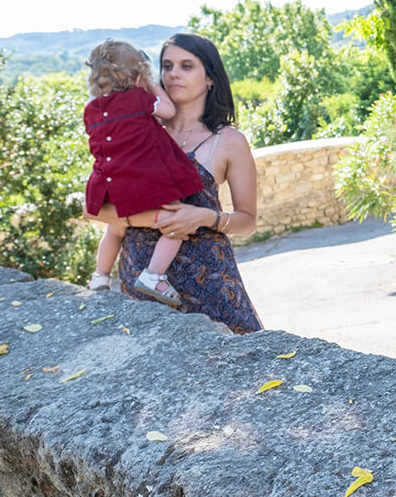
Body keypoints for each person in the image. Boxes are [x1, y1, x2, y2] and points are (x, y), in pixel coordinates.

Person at [85, 33, 263, 334]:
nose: (173, 74)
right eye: (167, 66)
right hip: (143, 286)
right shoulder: (134, 126)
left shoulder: (229, 141)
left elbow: (247, 221)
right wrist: (157, 219)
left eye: (186, 66)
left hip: (210, 284)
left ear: (210, 78)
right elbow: (96, 210)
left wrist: (208, 217)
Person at [83, 40, 204, 306]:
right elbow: (169, 111)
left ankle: (100, 276)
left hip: (108, 186)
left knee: (113, 229)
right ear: (138, 77)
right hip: (142, 184)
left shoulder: (91, 110)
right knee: (175, 224)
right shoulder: (140, 99)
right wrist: (149, 84)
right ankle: (154, 275)